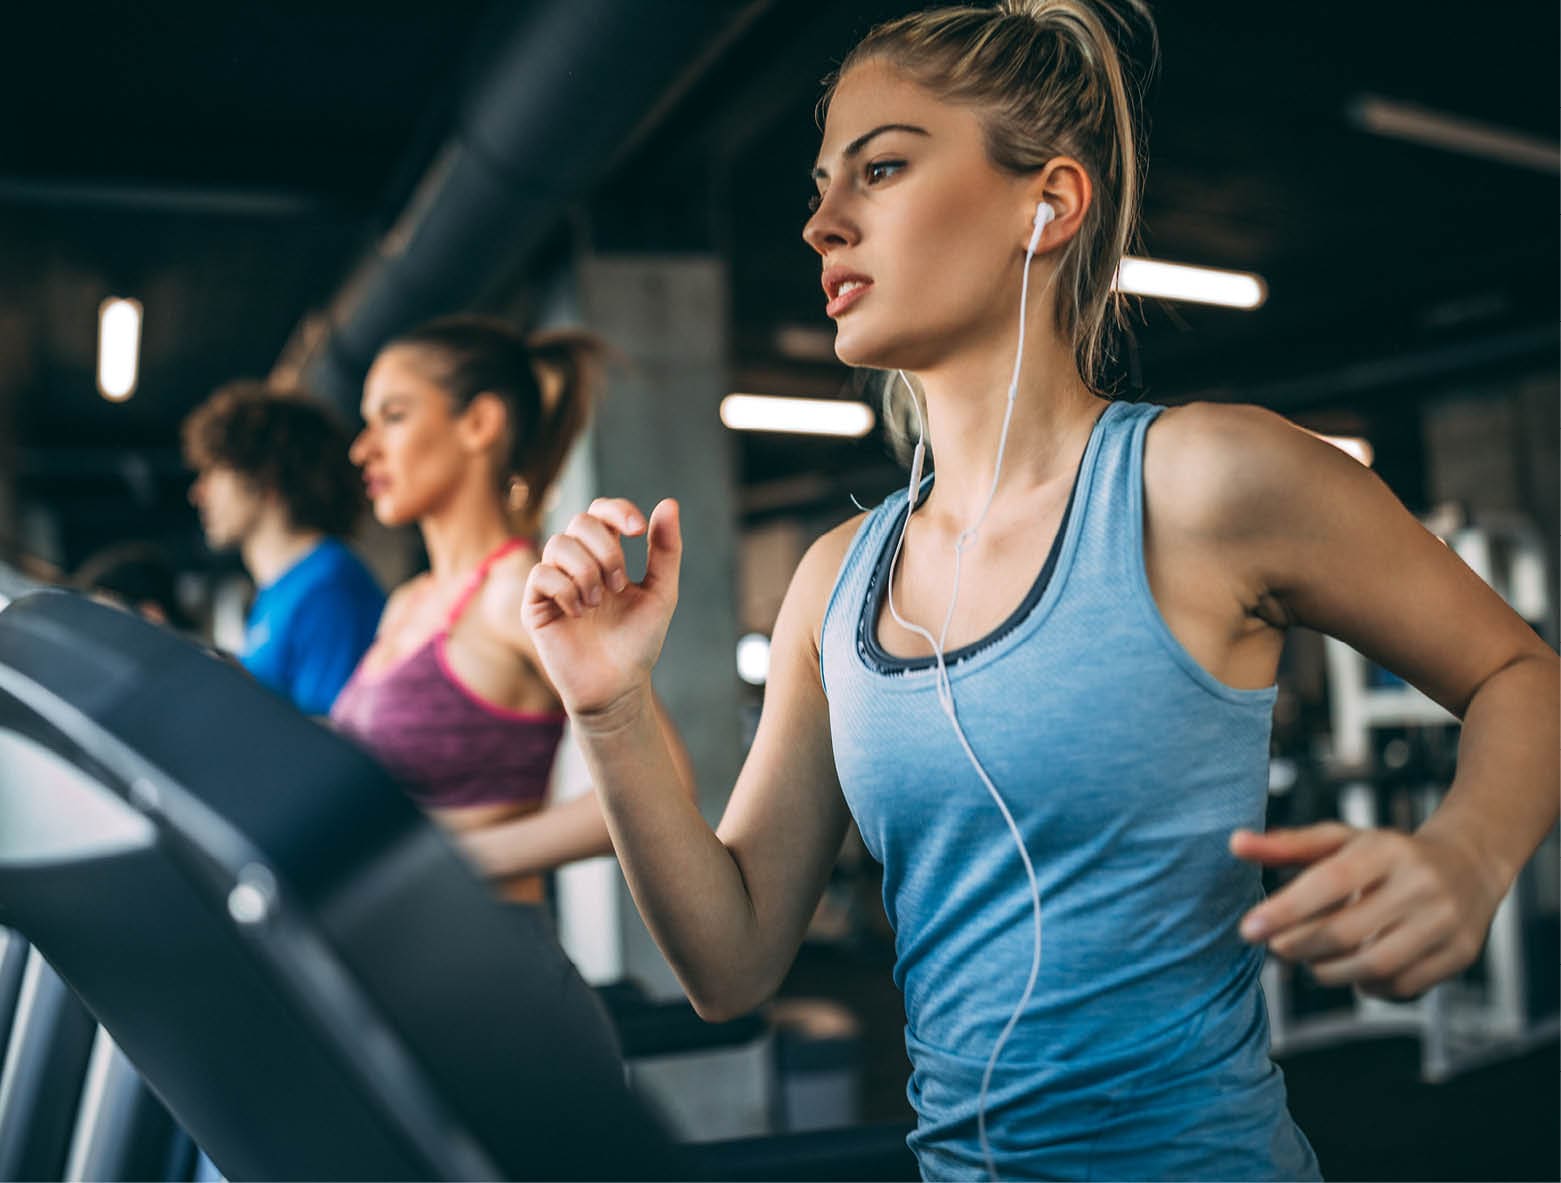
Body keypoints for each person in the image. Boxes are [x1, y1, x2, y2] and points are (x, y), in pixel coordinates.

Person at [517, 2, 1561, 1179]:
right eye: (821, 184)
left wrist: (1466, 858)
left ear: (1047, 204)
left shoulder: (1204, 483)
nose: (821, 222)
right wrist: (608, 707)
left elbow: (1524, 674)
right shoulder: (834, 582)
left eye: (884, 168)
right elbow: (731, 965)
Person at [329, 315, 694, 906]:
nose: (362, 448)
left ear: (479, 423)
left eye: (392, 417)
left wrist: (456, 860)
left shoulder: (518, 592)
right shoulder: (408, 602)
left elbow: (666, 785)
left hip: (489, 963)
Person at [183, 382, 385, 716]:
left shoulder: (329, 586)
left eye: (215, 473)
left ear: (265, 478)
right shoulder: (280, 591)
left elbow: (332, 745)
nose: (199, 493)